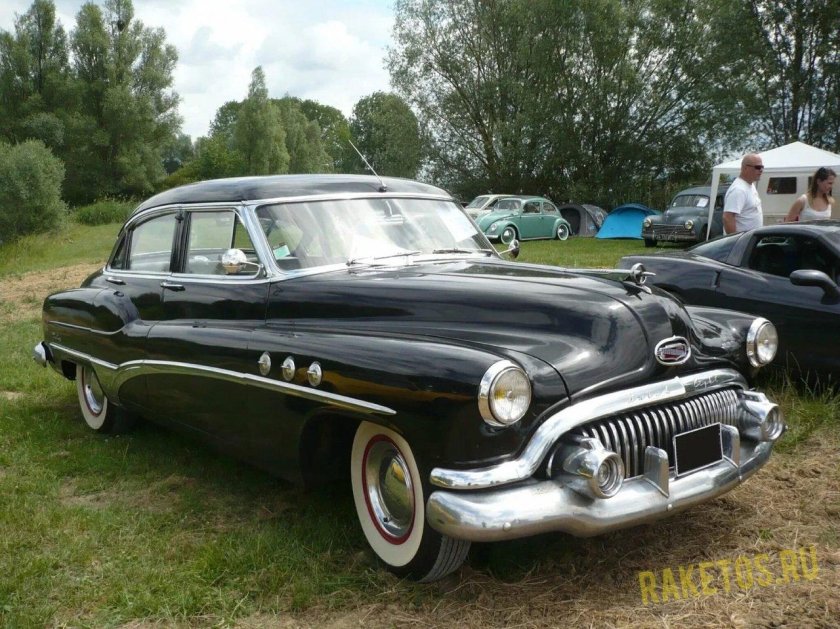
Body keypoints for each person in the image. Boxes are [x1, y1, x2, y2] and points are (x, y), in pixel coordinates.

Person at [723, 153, 764, 234]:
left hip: (750, 241)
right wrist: (734, 242)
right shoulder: (738, 189)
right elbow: (727, 217)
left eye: (762, 167)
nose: (761, 170)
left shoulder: (750, 185)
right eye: (758, 167)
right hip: (742, 244)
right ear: (745, 168)